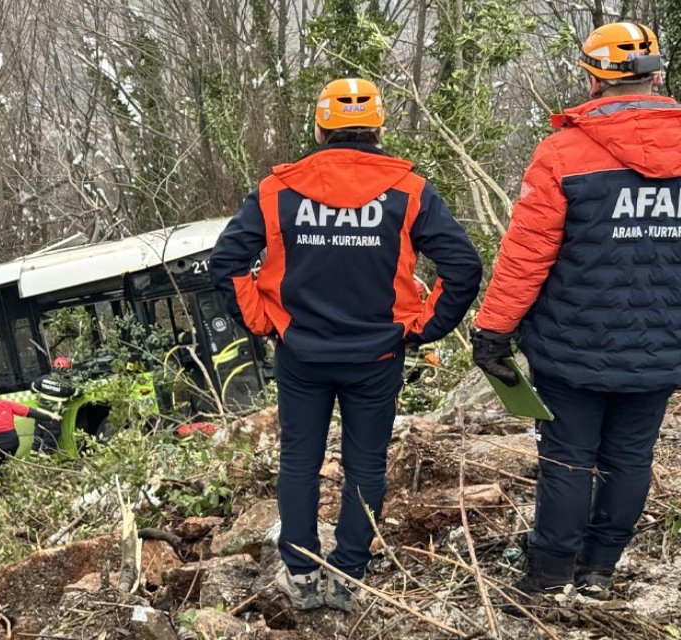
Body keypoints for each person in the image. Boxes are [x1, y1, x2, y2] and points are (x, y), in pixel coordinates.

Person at [210, 78, 482, 612]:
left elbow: (226, 264)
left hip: (301, 354)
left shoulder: (278, 190)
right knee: (366, 465)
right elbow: (464, 267)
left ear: (319, 128)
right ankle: (350, 575)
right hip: (377, 356)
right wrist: (424, 326)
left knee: (299, 461)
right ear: (379, 128)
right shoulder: (409, 191)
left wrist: (264, 322)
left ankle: (303, 574)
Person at [471, 22, 681, 602]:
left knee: (567, 458)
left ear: (593, 76)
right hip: (663, 345)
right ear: (657, 74)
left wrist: (494, 330)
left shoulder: (564, 151)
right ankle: (599, 570)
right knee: (631, 457)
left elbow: (525, 255)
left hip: (571, 346)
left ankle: (549, 574)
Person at [0, 386, 57, 466]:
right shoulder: (7, 404)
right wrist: (50, 417)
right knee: (5, 462)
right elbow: (29, 412)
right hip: (13, 443)